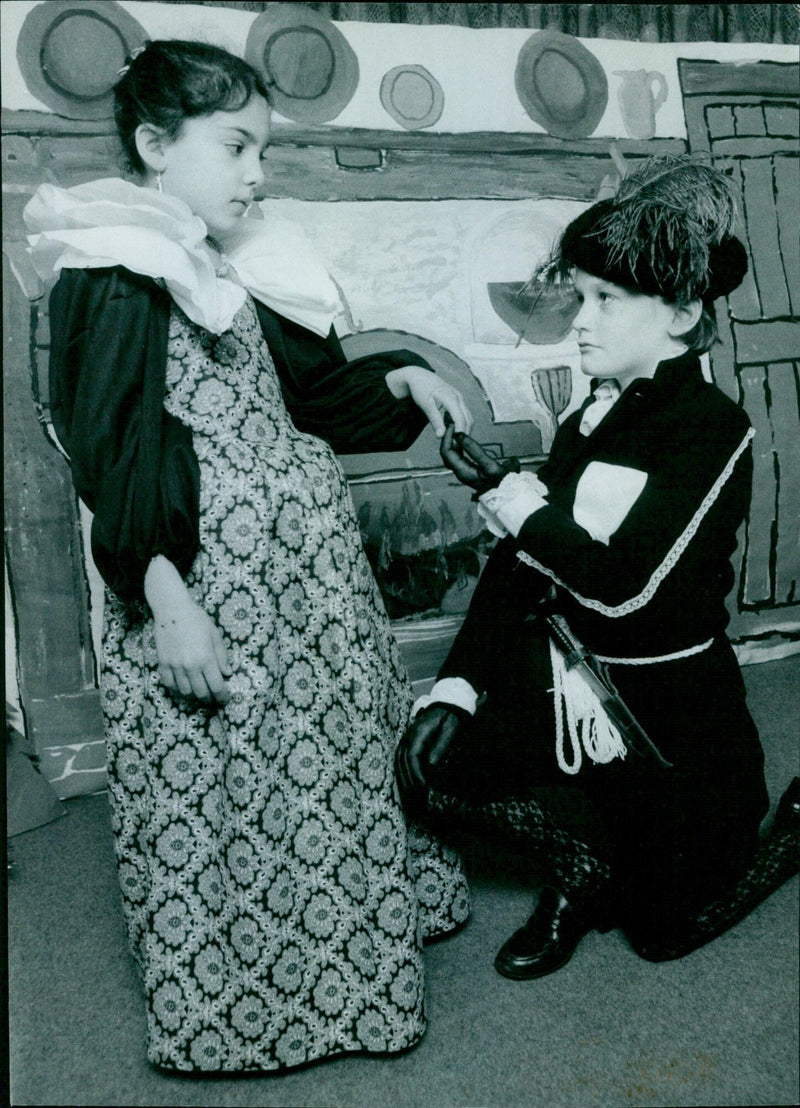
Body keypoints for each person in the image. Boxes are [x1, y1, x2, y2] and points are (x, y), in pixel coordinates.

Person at [24, 40, 473, 1072]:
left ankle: (355, 960)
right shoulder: (116, 263)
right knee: (235, 783)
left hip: (298, 571)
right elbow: (115, 445)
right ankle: (254, 1009)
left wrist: (398, 379)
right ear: (152, 144)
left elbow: (307, 390)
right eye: (234, 147)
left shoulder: (226, 256)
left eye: (261, 150)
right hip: (207, 576)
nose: (254, 172)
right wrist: (162, 593)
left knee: (324, 760)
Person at [396, 155, 799, 978]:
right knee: (427, 764)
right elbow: (522, 567)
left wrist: (520, 502)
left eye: (607, 300)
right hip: (571, 683)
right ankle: (584, 865)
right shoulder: (590, 412)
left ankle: (788, 833)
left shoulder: (712, 428)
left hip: (672, 716)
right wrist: (459, 686)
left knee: (663, 932)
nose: (581, 321)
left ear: (684, 313)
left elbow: (629, 591)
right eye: (581, 296)